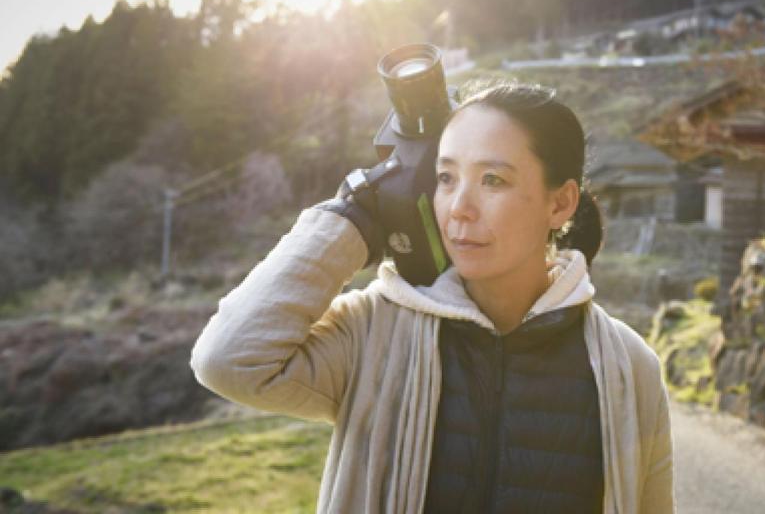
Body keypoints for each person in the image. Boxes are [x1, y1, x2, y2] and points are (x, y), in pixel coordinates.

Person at [190, 82, 675, 513]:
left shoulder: (627, 367)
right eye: (445, 178)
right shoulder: (374, 332)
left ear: (561, 202)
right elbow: (228, 360)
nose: (459, 208)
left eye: (493, 180)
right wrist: (351, 220)